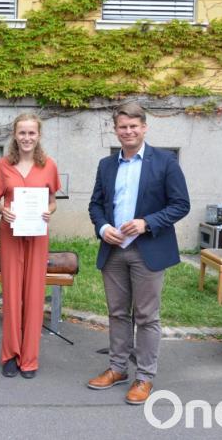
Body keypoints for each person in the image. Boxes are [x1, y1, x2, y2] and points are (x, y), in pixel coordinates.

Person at [87, 102, 190, 405]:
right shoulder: (107, 165)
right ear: (115, 130)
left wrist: (147, 223)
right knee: (117, 313)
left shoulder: (166, 162)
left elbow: (181, 204)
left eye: (134, 126)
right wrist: (103, 227)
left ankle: (144, 376)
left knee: (146, 316)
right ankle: (118, 368)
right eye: (123, 127)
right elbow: (95, 204)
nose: (128, 131)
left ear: (144, 127)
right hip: (114, 249)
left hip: (149, 251)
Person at [0, 113, 59, 379]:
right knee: (11, 294)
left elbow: (52, 201)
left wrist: (48, 211)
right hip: (10, 234)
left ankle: (29, 358)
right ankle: (10, 354)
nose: (27, 138)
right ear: (15, 135)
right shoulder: (4, 165)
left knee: (34, 294)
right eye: (22, 133)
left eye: (31, 133)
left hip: (37, 235)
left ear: (38, 135)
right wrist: (3, 210)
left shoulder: (49, 165)